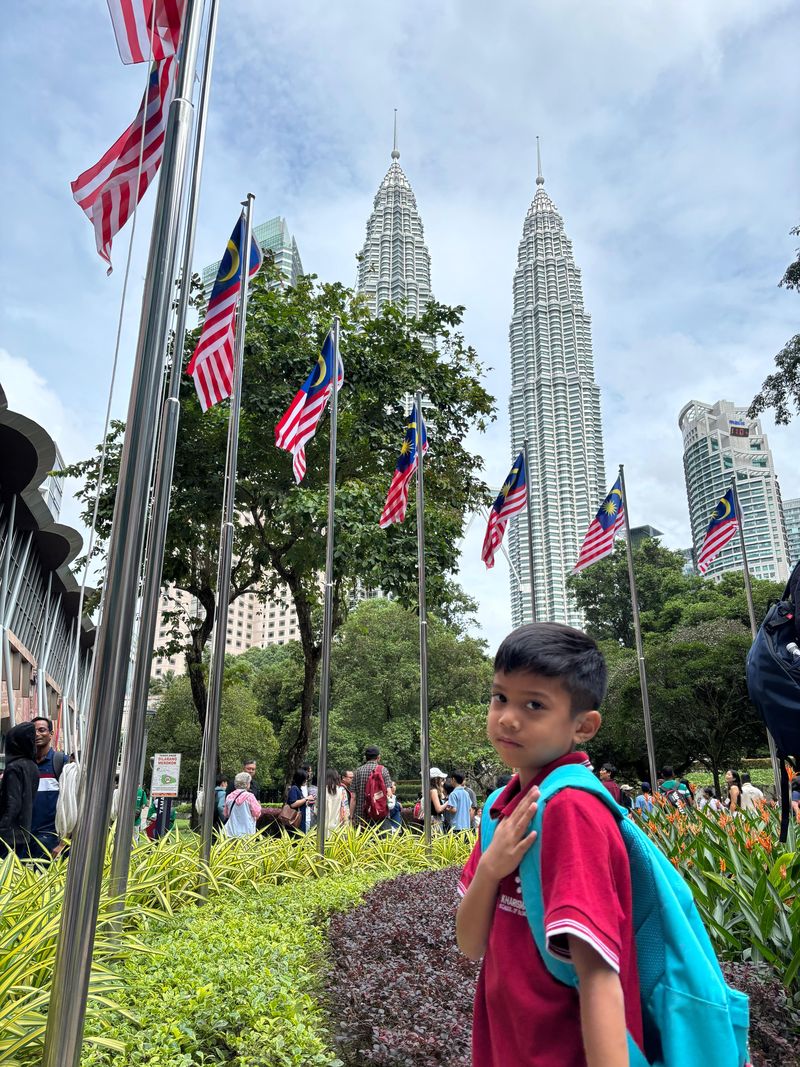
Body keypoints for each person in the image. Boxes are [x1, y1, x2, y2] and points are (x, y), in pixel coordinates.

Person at [456, 622, 644, 1066]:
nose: (508, 717)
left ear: (584, 726)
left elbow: (598, 977)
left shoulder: (569, 810)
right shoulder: (504, 807)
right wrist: (490, 869)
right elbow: (470, 942)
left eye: (534, 704)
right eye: (500, 696)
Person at [29, 716, 67, 859]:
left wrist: (63, 844)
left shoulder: (61, 762)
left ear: (51, 734)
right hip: (23, 840)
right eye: (33, 731)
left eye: (42, 730)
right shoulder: (25, 764)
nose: (37, 734)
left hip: (51, 841)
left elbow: (73, 807)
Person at [0, 721, 40, 857]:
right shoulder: (33, 766)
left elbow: (13, 803)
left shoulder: (14, 768)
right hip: (22, 834)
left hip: (7, 836)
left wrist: (2, 827)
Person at [351, 746, 392, 828]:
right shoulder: (383, 770)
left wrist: (351, 816)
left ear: (365, 758)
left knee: (362, 840)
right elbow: (389, 793)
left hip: (361, 816)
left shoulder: (358, 771)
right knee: (381, 840)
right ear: (378, 757)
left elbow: (353, 797)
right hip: (380, 814)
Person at [223, 772, 262, 837]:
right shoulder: (250, 797)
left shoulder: (229, 796)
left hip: (231, 830)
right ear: (247, 784)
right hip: (246, 832)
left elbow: (226, 814)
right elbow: (257, 812)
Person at [322, 768, 346, 836]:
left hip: (323, 827)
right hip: (337, 826)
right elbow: (345, 810)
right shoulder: (342, 791)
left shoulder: (321, 791)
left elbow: (316, 809)